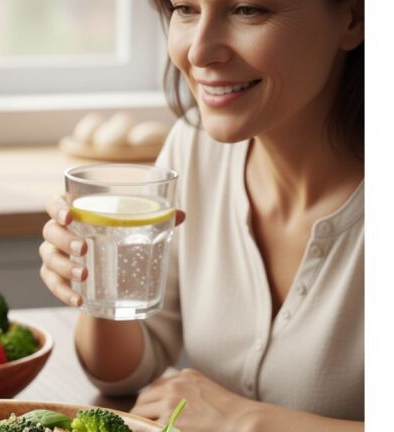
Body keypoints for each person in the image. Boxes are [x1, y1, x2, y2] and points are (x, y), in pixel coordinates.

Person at [39, 0, 364, 430]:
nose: (197, 52)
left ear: (355, 18)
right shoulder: (194, 147)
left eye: (248, 10)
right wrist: (96, 279)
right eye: (185, 8)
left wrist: (247, 422)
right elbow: (125, 371)